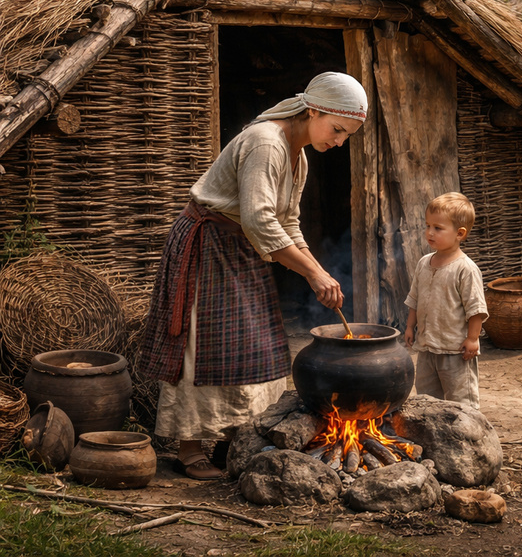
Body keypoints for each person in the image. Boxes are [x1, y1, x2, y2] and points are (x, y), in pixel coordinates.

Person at [138, 72, 368, 480]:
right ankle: (190, 446)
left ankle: (232, 437)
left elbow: (288, 222)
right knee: (204, 341)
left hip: (240, 248)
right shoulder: (266, 142)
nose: (338, 141)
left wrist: (317, 271)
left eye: (346, 135)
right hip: (209, 244)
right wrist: (313, 273)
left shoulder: (298, 156)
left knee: (250, 344)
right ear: (312, 110)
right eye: (337, 130)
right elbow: (260, 219)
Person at [404, 192, 488, 409]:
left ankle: (467, 441)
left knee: (461, 402)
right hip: (427, 349)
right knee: (428, 400)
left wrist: (472, 339)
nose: (429, 232)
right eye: (428, 226)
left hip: (456, 351)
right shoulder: (424, 263)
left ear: (460, 233)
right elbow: (415, 298)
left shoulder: (465, 269)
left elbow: (476, 310)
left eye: (438, 228)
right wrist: (409, 326)